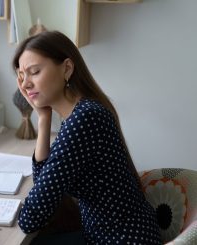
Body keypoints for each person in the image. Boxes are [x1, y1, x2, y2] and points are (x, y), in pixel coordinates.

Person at [12, 31, 162, 245]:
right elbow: (43, 183)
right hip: (101, 235)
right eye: (22, 76)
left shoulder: (84, 119)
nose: (26, 84)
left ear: (67, 68)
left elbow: (31, 218)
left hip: (121, 239)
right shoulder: (80, 112)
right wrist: (43, 119)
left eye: (34, 72)